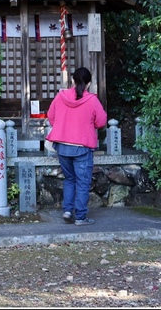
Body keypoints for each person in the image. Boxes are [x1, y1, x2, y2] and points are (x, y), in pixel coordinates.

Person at [46, 67, 107, 226]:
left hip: (63, 146)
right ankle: (80, 217)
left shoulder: (61, 96)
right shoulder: (92, 100)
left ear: (72, 81)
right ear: (88, 84)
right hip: (82, 147)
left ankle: (67, 211)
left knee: (70, 179)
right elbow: (101, 122)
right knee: (82, 182)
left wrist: (63, 125)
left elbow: (51, 117)